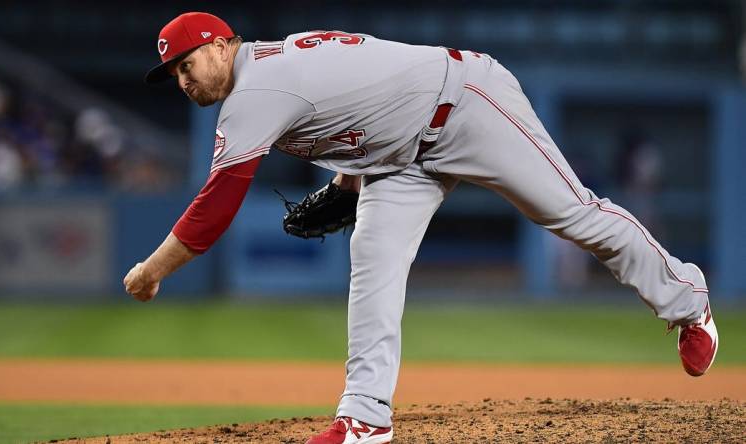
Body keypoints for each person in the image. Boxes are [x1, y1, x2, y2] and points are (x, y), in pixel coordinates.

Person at [124, 12, 719, 444]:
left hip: (466, 103)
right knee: (373, 256)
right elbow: (363, 114)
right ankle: (365, 417)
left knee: (572, 214)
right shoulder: (269, 75)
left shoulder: (257, 90)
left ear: (224, 46)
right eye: (173, 73)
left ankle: (687, 301)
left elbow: (215, 207)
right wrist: (344, 187)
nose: (183, 79)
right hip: (401, 155)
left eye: (188, 62)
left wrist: (152, 271)